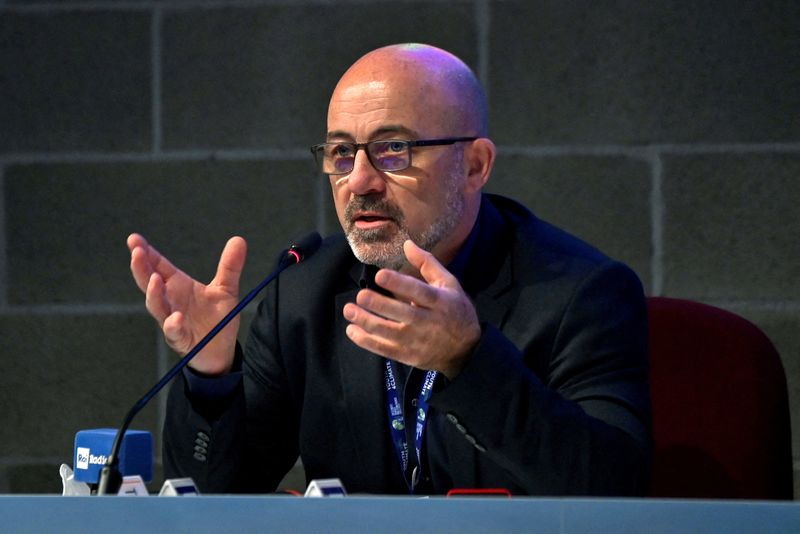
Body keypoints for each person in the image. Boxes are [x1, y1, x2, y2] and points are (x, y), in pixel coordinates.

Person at [127, 43, 651, 496]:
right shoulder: (304, 293)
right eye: (340, 152)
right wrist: (211, 373)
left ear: (474, 165)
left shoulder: (580, 293)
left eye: (393, 150)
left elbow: (613, 487)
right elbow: (212, 499)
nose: (359, 181)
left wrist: (469, 362)